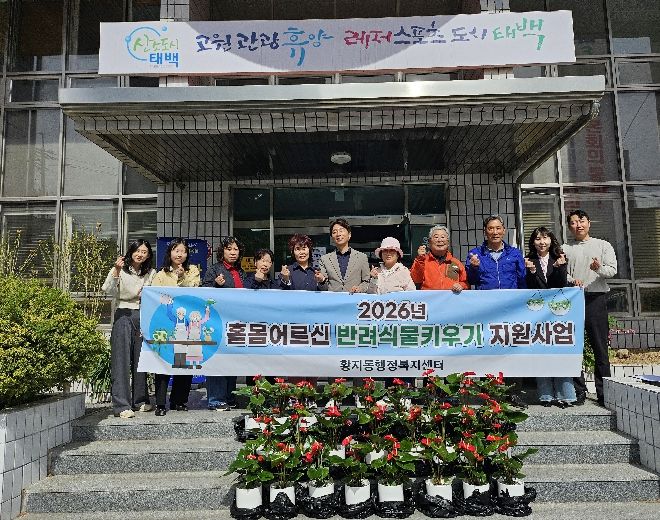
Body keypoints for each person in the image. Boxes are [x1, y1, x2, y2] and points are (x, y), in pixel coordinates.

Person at [562, 210, 617, 407]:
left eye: (582, 221)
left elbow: (612, 270)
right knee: (574, 347)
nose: (578, 225)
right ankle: (579, 391)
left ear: (589, 223)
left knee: (600, 348)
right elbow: (559, 272)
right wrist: (571, 280)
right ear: (569, 226)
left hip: (596, 299)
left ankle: (604, 393)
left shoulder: (603, 245)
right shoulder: (565, 248)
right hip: (573, 300)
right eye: (573, 222)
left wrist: (598, 268)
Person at [102, 239, 156, 419]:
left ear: (148, 255)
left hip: (142, 315)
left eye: (144, 252)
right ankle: (122, 405)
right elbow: (107, 289)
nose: (140, 254)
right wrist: (116, 271)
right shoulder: (120, 269)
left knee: (141, 359)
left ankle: (140, 400)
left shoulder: (151, 273)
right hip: (123, 314)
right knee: (121, 360)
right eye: (137, 251)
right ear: (131, 252)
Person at [525, 227, 576, 408]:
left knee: (561, 352)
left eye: (545, 238)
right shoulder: (528, 261)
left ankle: (566, 395)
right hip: (537, 315)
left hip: (559, 314)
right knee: (540, 352)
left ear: (551, 240)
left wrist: (559, 269)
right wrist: (531, 272)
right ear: (533, 242)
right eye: (538, 239)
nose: (542, 242)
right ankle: (545, 395)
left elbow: (561, 286)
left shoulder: (559, 258)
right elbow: (531, 289)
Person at [151, 239, 201, 416]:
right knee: (164, 362)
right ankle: (160, 403)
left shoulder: (193, 270)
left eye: (183, 251)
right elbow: (156, 296)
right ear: (170, 253)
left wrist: (181, 278)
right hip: (165, 324)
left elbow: (193, 291)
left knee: (183, 361)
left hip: (186, 324)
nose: (180, 254)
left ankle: (179, 400)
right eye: (176, 250)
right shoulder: (161, 274)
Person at [202, 236, 246, 411]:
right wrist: (215, 284)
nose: (233, 252)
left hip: (236, 323)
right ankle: (216, 399)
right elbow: (204, 292)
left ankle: (229, 396)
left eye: (236, 249)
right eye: (229, 249)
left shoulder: (240, 271)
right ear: (222, 252)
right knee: (217, 360)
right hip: (217, 323)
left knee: (231, 360)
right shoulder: (214, 269)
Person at [279, 234, 322, 386]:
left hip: (314, 324)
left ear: (310, 250)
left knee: (313, 361)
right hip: (294, 325)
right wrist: (285, 279)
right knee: (295, 361)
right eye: (297, 249)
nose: (301, 252)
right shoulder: (287, 271)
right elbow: (280, 296)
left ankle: (311, 393)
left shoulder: (317, 271)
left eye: (304, 248)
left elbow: (326, 294)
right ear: (293, 252)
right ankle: (296, 395)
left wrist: (321, 281)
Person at [466, 215, 526, 290]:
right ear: (485, 232)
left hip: (510, 296)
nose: (495, 232)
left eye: (498, 228)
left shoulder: (514, 253)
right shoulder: (475, 254)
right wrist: (474, 268)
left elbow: (522, 280)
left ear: (504, 230)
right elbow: (471, 281)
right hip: (486, 297)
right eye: (490, 228)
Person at [317, 218, 370, 293]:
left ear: (349, 235)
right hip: (333, 299)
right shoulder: (325, 259)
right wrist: (322, 281)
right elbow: (324, 289)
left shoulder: (362, 257)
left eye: (341, 230)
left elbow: (366, 281)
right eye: (334, 232)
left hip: (353, 298)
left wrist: (360, 288)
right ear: (332, 237)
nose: (338, 234)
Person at [410, 226, 468, 293]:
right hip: (429, 298)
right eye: (436, 237)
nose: (440, 240)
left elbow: (465, 283)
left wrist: (461, 285)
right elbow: (415, 280)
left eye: (443, 237)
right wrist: (420, 259)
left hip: (451, 299)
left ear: (448, 242)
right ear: (429, 242)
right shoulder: (422, 261)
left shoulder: (455, 263)